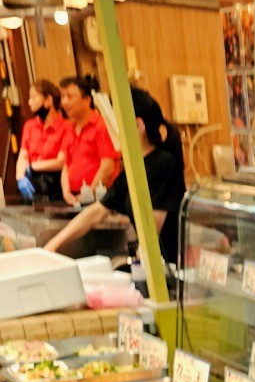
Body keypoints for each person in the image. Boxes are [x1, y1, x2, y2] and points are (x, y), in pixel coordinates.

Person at [45, 85, 186, 264]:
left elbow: (153, 228)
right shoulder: (134, 167)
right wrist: (54, 243)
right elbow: (97, 212)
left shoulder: (164, 164)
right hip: (151, 262)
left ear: (138, 125)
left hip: (168, 264)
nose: (111, 129)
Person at [59, 74, 120, 206]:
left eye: (69, 97)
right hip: (75, 198)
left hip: (101, 197)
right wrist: (66, 192)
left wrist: (88, 194)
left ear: (87, 100)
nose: (64, 102)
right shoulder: (69, 128)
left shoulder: (102, 125)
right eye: (62, 97)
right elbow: (65, 165)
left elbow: (107, 167)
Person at [15, 79, 69, 204]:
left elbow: (61, 161)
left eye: (33, 98)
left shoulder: (67, 127)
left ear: (48, 100)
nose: (29, 102)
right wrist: (20, 177)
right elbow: (23, 156)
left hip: (56, 187)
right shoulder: (29, 125)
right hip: (33, 185)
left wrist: (32, 167)